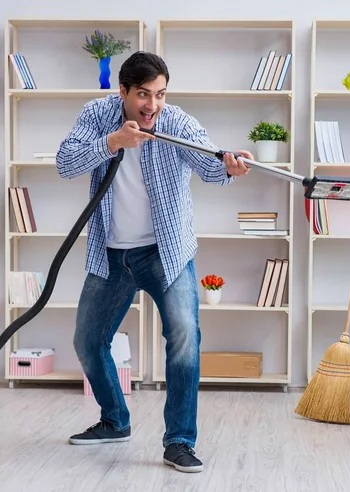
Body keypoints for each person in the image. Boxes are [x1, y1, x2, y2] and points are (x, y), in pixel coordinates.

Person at [55, 51, 252, 473]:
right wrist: (113, 143)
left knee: (183, 340)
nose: (152, 105)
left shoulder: (176, 122)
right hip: (110, 253)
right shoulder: (97, 114)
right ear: (122, 91)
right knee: (87, 343)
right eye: (143, 94)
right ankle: (114, 421)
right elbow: (65, 163)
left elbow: (211, 164)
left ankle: (179, 441)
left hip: (166, 252)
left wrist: (231, 167)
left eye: (160, 94)